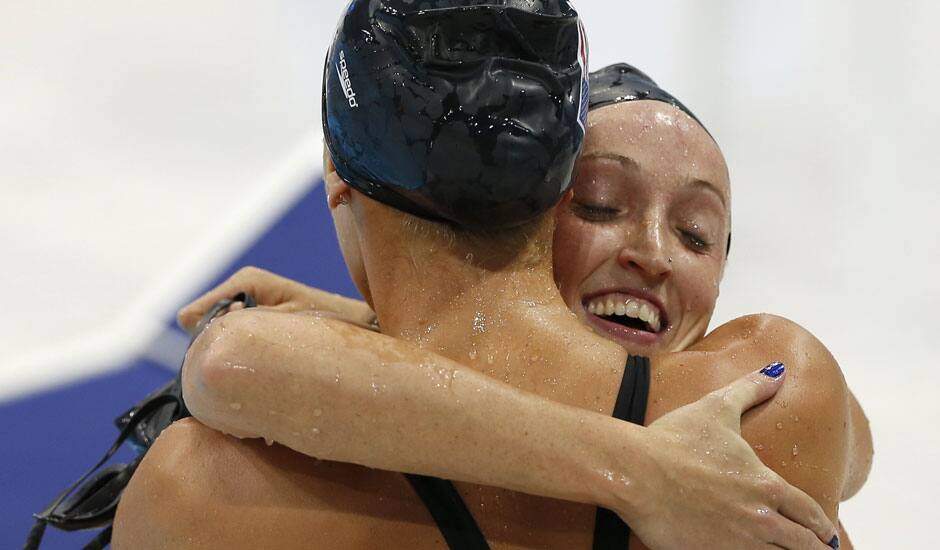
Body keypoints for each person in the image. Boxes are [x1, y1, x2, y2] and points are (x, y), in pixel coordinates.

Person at [115, 2, 865, 548]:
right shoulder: (768, 408)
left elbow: (229, 360)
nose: (653, 254)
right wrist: (640, 467)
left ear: (336, 174)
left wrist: (361, 332)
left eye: (698, 234)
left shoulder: (200, 493)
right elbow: (848, 437)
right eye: (603, 205)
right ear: (549, 195)